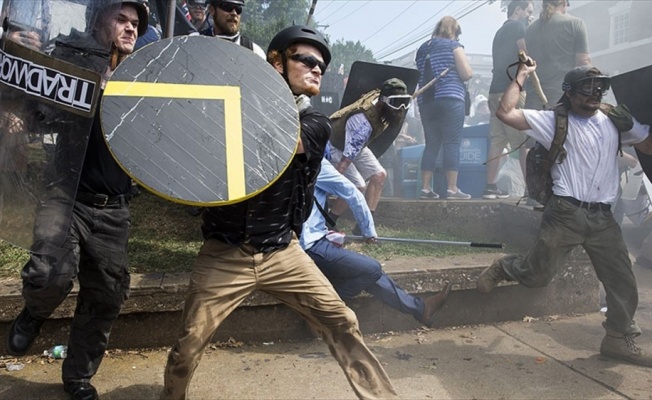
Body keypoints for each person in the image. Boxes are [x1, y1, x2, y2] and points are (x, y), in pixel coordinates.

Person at [161, 25, 399, 400]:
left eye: (321, 63)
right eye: (307, 60)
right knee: (187, 346)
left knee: (343, 321)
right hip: (224, 252)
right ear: (275, 62)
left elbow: (274, 142)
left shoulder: (316, 123)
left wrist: (244, 102)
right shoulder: (230, 107)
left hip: (283, 252)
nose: (317, 68)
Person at [4, 1, 148, 399]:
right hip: (65, 194)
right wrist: (16, 50)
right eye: (121, 19)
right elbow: (30, 97)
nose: (131, 28)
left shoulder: (147, 78)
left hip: (115, 206)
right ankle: (35, 311)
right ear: (98, 20)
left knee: (106, 294)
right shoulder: (68, 58)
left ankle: (78, 377)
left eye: (136, 23)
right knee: (50, 272)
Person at [477, 62, 652, 367]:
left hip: (603, 218)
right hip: (565, 214)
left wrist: (631, 125)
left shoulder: (614, 119)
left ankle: (616, 340)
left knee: (623, 283)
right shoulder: (553, 120)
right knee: (538, 275)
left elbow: (648, 145)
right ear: (569, 93)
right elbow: (505, 112)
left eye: (600, 88)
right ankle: (505, 267)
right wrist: (520, 76)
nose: (595, 94)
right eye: (587, 88)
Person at [301, 158, 453, 326]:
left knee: (366, 272)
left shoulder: (283, 161)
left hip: (306, 241)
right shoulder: (314, 162)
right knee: (371, 270)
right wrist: (368, 232)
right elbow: (352, 193)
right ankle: (322, 309)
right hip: (309, 247)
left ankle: (420, 309)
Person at [326, 78, 411, 232]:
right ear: (384, 101)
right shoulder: (362, 122)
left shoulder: (381, 97)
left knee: (379, 175)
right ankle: (329, 220)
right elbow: (345, 161)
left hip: (357, 144)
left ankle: (364, 225)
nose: (401, 108)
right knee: (357, 186)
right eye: (397, 103)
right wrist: (332, 181)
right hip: (336, 146)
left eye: (404, 102)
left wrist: (399, 102)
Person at [415, 16, 473, 200]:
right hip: (450, 99)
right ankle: (452, 188)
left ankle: (425, 188)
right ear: (454, 31)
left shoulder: (423, 48)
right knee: (451, 143)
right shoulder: (454, 46)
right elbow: (466, 74)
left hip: (427, 101)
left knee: (431, 144)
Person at [483, 0, 534, 200]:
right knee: (522, 142)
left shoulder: (499, 32)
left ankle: (490, 187)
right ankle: (531, 190)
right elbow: (525, 55)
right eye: (528, 11)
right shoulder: (519, 26)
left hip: (494, 90)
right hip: (512, 89)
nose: (530, 15)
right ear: (518, 10)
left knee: (497, 141)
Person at [524, 0, 590, 110]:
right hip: (562, 99)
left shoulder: (529, 30)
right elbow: (583, 62)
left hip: (534, 100)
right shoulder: (575, 23)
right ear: (564, 2)